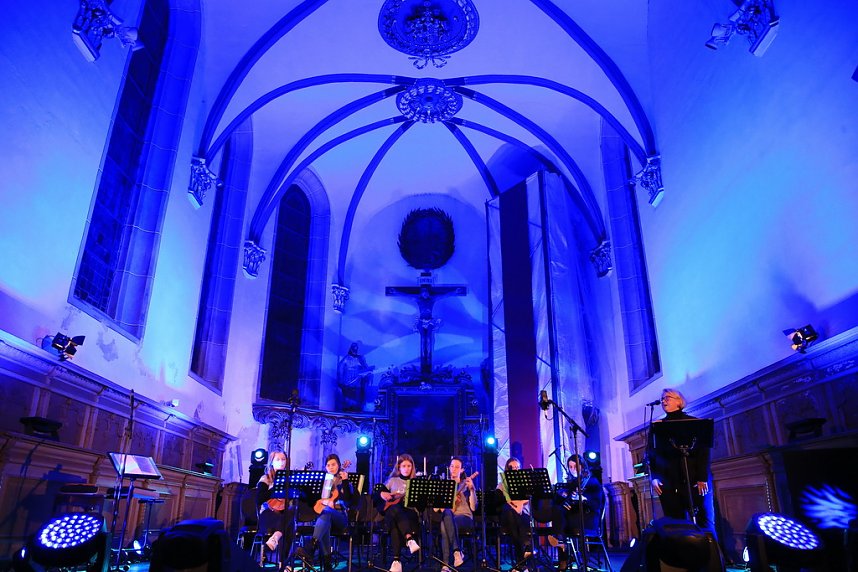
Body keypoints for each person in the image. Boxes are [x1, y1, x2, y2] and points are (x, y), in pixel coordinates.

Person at [648, 387, 715, 532]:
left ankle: (709, 552)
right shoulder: (657, 426)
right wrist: (654, 477)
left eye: (667, 397)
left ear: (679, 402)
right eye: (662, 398)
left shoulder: (694, 423)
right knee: (675, 523)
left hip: (694, 479)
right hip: (668, 481)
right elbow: (652, 453)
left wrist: (702, 478)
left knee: (703, 522)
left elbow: (703, 451)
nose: (663, 401)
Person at [296, 454, 355, 571]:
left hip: (340, 518)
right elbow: (311, 500)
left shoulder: (344, 481)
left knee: (326, 512)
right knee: (325, 519)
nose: (331, 467)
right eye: (328, 465)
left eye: (333, 464)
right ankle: (327, 565)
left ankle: (311, 547)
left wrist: (345, 481)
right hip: (326, 518)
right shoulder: (323, 483)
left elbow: (348, 501)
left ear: (339, 465)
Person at [552, 455, 605, 570]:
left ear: (582, 466)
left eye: (576, 466)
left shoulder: (592, 481)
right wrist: (562, 494)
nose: (573, 469)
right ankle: (562, 544)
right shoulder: (574, 483)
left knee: (561, 521)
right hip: (574, 516)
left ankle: (563, 555)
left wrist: (584, 499)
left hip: (589, 517)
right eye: (570, 467)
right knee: (557, 511)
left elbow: (597, 505)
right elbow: (568, 503)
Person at [379, 454, 422, 572]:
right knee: (394, 509)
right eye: (404, 466)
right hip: (394, 514)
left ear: (412, 467)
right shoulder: (392, 481)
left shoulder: (416, 482)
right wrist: (382, 494)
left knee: (395, 522)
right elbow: (377, 495)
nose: (406, 468)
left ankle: (396, 561)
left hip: (410, 516)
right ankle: (409, 539)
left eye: (409, 466)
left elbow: (421, 507)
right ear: (399, 467)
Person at [436, 456, 476, 571]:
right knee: (446, 519)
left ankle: (445, 564)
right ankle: (457, 552)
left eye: (457, 467)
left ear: (462, 470)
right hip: (449, 517)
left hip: (464, 517)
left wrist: (472, 490)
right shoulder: (444, 485)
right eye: (452, 466)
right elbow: (436, 509)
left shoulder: (466, 484)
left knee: (445, 524)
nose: (453, 469)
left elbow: (473, 507)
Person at [256, 451, 297, 558]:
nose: (281, 462)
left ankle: (276, 538)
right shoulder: (265, 478)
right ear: (271, 462)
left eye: (283, 459)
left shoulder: (290, 479)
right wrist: (276, 487)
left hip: (284, 515)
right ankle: (283, 564)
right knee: (288, 525)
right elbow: (259, 499)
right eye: (277, 460)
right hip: (267, 514)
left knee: (291, 514)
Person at [497, 457, 532, 570]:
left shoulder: (525, 482)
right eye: (512, 468)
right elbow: (506, 500)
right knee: (510, 512)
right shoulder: (502, 484)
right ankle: (525, 549)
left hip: (523, 515)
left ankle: (520, 564)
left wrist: (520, 505)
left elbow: (527, 498)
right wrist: (516, 507)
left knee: (520, 519)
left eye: (517, 467)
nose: (515, 470)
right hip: (508, 517)